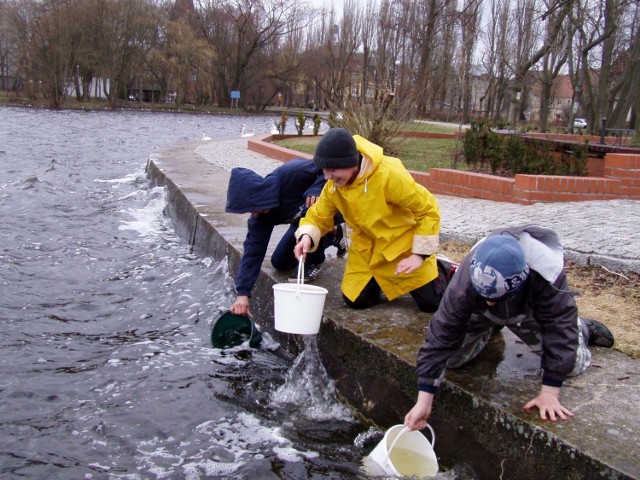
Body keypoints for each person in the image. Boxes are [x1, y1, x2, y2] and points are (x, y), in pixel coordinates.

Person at [404, 225, 615, 429]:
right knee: (451, 360)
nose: (490, 303)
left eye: (496, 300)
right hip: (481, 312)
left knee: (572, 365)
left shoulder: (545, 274)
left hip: (528, 312)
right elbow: (443, 331)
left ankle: (582, 328)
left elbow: (559, 325)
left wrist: (550, 393)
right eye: (486, 298)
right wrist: (425, 398)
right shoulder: (468, 277)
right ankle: (489, 326)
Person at [293, 127, 453, 312]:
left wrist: (419, 255)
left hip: (402, 248)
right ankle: (381, 281)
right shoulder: (334, 186)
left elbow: (428, 210)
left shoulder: (389, 174)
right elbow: (318, 216)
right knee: (356, 301)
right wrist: (307, 236)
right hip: (367, 252)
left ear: (350, 162)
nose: (327, 177)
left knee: (433, 304)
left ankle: (441, 266)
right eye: (324, 171)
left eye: (331, 170)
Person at [225, 159, 347, 317]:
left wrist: (316, 188)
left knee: (310, 243)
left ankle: (318, 255)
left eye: (253, 207)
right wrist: (242, 294)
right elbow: (252, 253)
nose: (253, 214)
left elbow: (325, 164)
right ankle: (335, 236)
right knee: (280, 262)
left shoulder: (291, 174)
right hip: (302, 224)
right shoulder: (260, 218)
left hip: (326, 213)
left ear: (258, 194)